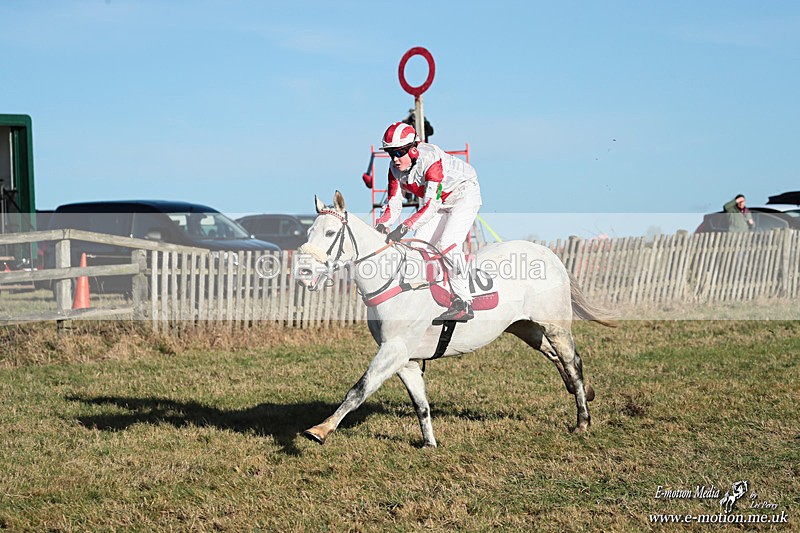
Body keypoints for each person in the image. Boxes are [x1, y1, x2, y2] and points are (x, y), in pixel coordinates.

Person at [375, 121, 482, 323]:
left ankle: (464, 301)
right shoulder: (394, 169)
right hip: (440, 201)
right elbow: (394, 202)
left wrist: (404, 227)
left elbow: (431, 205)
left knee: (448, 245)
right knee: (416, 247)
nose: (394, 160)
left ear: (413, 150)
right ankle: (431, 296)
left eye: (398, 153)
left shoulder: (432, 160)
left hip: (463, 195)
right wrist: (383, 223)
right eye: (390, 153)